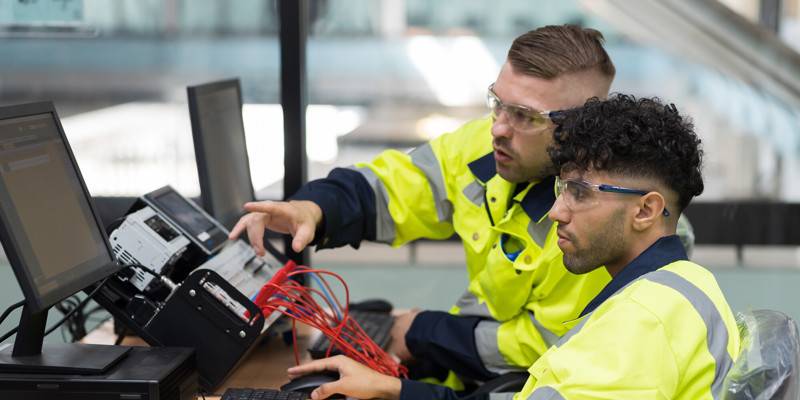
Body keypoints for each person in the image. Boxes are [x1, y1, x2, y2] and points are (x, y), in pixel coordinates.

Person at [230, 24, 691, 386]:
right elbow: (399, 188)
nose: (497, 128)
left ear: (579, 125)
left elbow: (545, 350)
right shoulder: (489, 149)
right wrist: (316, 208)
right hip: (473, 369)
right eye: (497, 102)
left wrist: (422, 333)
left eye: (524, 116)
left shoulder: (601, 226)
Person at [285, 94, 741, 400]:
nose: (557, 212)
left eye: (580, 193)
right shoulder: (679, 286)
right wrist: (397, 392)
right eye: (562, 189)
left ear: (646, 210)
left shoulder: (636, 332)